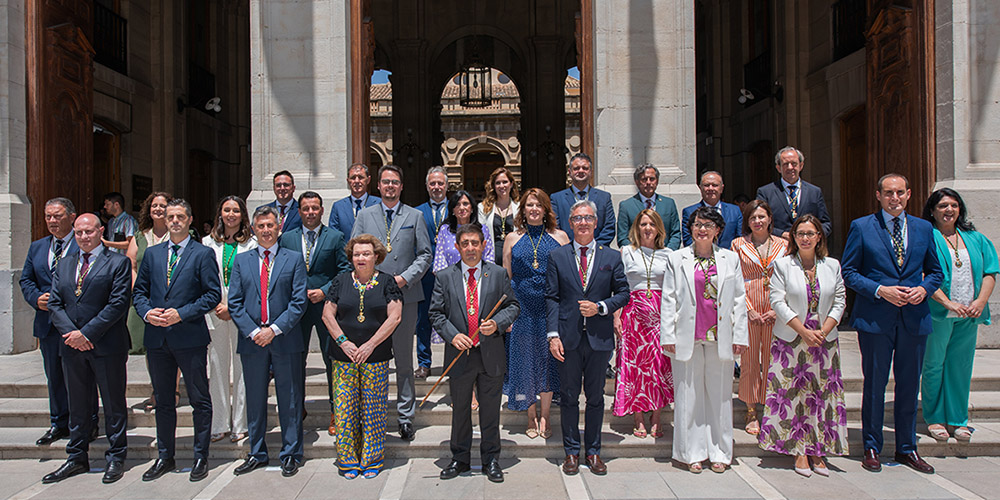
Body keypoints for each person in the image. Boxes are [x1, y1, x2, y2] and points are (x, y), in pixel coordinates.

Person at [841, 173, 943, 474]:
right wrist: (879, 289)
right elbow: (849, 271)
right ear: (878, 195)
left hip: (914, 318)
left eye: (899, 192)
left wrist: (924, 289)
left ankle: (907, 448)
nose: (894, 198)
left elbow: (936, 272)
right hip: (876, 318)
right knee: (874, 384)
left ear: (909, 194)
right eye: (888, 193)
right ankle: (872, 445)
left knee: (909, 386)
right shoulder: (861, 227)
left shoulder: (924, 228)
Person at [133, 198, 221, 482]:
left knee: (199, 399)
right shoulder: (153, 254)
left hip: (189, 337)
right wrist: (147, 313)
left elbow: (211, 295)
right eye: (170, 217)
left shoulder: (202, 254)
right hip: (157, 339)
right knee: (164, 402)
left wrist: (181, 314)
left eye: (180, 216)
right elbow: (139, 293)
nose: (174, 221)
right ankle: (165, 456)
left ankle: (200, 456)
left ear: (190, 219)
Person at [42, 213, 132, 484]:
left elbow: (117, 304)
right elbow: (55, 303)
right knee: (78, 405)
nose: (83, 237)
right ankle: (76, 457)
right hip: (71, 346)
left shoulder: (117, 262)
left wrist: (87, 333)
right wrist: (72, 333)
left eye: (89, 232)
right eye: (79, 232)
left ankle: (116, 456)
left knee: (113, 403)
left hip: (106, 345)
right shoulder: (66, 263)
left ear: (100, 231)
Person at [759, 214, 849, 477]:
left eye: (810, 233)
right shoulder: (783, 265)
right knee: (795, 396)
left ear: (819, 236)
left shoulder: (831, 265)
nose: (805, 238)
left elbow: (840, 300)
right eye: (800, 234)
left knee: (821, 396)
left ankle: (818, 450)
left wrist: (823, 330)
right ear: (794, 238)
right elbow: (777, 301)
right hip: (792, 339)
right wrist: (803, 331)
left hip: (824, 339)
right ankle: (800, 450)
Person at [661, 206, 748, 474]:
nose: (702, 229)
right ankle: (691, 453)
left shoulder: (730, 259)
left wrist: (740, 335)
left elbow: (739, 299)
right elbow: (669, 299)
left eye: (708, 226)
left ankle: (720, 452)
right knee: (688, 396)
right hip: (687, 335)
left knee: (720, 397)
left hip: (719, 336)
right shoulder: (677, 258)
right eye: (698, 224)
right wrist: (668, 335)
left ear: (717, 231)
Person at [430, 224, 520, 483]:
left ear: (483, 246)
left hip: (490, 353)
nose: (470, 248)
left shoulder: (499, 273)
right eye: (465, 243)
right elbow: (435, 313)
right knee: (460, 410)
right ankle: (460, 458)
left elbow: (513, 306)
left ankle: (491, 459)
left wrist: (497, 324)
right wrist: (452, 335)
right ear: (457, 247)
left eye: (475, 243)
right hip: (460, 355)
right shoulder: (445, 276)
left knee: (490, 411)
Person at [547, 200, 630, 476]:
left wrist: (601, 307)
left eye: (588, 218)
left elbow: (623, 293)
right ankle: (571, 451)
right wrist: (553, 336)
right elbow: (552, 298)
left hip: (599, 337)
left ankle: (593, 451)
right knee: (569, 397)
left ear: (596, 223)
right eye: (577, 218)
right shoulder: (557, 256)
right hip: (568, 338)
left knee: (595, 397)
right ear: (569, 224)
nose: (583, 222)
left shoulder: (612, 257)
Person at [351, 164, 433, 441]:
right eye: (385, 182)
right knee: (372, 357)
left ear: (401, 187)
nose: (389, 186)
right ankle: (371, 415)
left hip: (405, 296)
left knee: (403, 359)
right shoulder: (364, 215)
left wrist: (404, 279)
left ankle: (405, 416)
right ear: (379, 186)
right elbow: (355, 251)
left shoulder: (415, 215)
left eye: (395, 182)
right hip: (371, 296)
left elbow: (424, 254)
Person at [229, 205, 308, 477]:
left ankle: (290, 453)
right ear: (253, 229)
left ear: (279, 228)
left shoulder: (294, 259)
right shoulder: (242, 261)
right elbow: (235, 303)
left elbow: (298, 303)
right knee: (255, 399)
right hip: (252, 342)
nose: (265, 231)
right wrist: (254, 332)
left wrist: (273, 330)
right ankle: (257, 452)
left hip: (285, 340)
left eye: (270, 226)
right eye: (260, 226)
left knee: (290, 400)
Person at [920, 188, 998, 442]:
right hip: (939, 312)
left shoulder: (976, 238)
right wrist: (948, 303)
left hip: (969, 313)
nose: (949, 210)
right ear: (932, 210)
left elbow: (989, 272)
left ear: (960, 209)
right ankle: (935, 418)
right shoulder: (926, 237)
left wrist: (980, 301)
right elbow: (922, 275)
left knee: (960, 366)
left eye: (953, 205)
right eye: (942, 205)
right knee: (934, 365)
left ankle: (957, 419)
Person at [321, 234, 402, 479]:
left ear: (376, 256)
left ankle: (372, 459)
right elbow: (327, 315)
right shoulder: (340, 281)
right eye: (356, 254)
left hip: (375, 356)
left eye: (366, 254)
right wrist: (344, 343)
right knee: (345, 409)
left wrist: (370, 344)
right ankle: (347, 460)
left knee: (373, 408)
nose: (361, 258)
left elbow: (395, 317)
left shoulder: (388, 282)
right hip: (343, 357)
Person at [20, 198, 98, 446]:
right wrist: (36, 298)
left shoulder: (84, 244)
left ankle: (89, 422)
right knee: (54, 376)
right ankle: (59, 423)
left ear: (72, 217)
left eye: (57, 216)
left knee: (82, 376)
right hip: (48, 324)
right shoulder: (37, 248)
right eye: (48, 216)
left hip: (77, 325)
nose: (52, 221)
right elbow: (26, 280)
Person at [280, 191, 350, 436]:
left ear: (322, 211)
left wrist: (323, 290)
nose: (310, 212)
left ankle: (336, 411)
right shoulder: (286, 238)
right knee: (294, 361)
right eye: (306, 208)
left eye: (315, 208)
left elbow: (344, 271)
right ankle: (297, 409)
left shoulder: (335, 236)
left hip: (326, 307)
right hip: (295, 309)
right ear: (299, 211)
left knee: (332, 359)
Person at [502, 188, 569, 439]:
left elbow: (568, 277)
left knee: (548, 361)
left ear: (545, 209)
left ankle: (546, 415)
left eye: (538, 205)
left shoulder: (560, 237)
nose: (533, 209)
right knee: (525, 361)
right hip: (522, 308)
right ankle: (530, 416)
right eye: (529, 205)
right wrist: (506, 315)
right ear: (522, 209)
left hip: (550, 307)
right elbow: (506, 279)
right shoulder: (512, 238)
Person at [613, 209, 673, 438]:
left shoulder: (669, 254)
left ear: (658, 228)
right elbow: (619, 287)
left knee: (658, 365)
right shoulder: (627, 252)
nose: (647, 228)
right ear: (636, 228)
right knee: (634, 365)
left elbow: (673, 289)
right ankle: (638, 417)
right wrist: (616, 316)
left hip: (659, 313)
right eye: (643, 224)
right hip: (632, 312)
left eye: (651, 224)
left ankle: (656, 416)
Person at [729, 200, 787, 435]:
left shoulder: (784, 245)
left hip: (776, 304)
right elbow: (735, 278)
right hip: (749, 304)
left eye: (762, 217)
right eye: (753, 218)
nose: (758, 221)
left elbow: (790, 276)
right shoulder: (738, 244)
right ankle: (751, 409)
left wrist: (778, 308)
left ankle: (773, 406)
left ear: (770, 218)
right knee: (750, 360)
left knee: (775, 359)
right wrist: (749, 308)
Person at [202, 196, 257, 444]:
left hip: (242, 312)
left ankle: (240, 423)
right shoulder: (207, 243)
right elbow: (203, 278)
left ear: (243, 215)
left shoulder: (253, 244)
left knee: (243, 368)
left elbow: (253, 282)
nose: (231, 214)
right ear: (220, 214)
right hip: (214, 311)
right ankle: (219, 422)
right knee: (217, 366)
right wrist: (216, 304)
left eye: (236, 210)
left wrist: (233, 308)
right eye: (227, 210)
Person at [126, 192, 172, 355]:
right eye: (154, 205)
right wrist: (138, 290)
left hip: (170, 299)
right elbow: (131, 264)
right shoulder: (140, 236)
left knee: (171, 347)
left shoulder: (177, 235)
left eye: (162, 205)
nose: (158, 209)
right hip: (143, 299)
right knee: (145, 346)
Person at [414, 166, 449, 379]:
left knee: (453, 318)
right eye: (433, 183)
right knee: (424, 318)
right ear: (427, 186)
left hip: (451, 274)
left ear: (447, 185)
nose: (437, 187)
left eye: (440, 183)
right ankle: (424, 363)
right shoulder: (417, 212)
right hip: (426, 274)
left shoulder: (457, 209)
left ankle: (452, 362)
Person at [755, 147, 832, 239]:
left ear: (801, 165)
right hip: (778, 246)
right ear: (778, 168)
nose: (790, 167)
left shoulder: (814, 192)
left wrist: (812, 236)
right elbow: (759, 222)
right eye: (785, 164)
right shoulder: (765, 192)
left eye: (794, 164)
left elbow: (825, 223)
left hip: (807, 248)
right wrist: (782, 234)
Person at [551, 153, 616, 246]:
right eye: (576, 168)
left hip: (598, 253)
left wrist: (593, 248)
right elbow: (555, 228)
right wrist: (572, 248)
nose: (581, 171)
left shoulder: (604, 198)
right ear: (569, 172)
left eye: (585, 168)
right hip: (568, 252)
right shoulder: (556, 199)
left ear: (591, 172)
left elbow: (609, 227)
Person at [616, 164, 682, 250]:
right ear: (637, 182)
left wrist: (667, 253)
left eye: (652, 179)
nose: (648, 182)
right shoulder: (626, 206)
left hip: (664, 256)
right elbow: (623, 237)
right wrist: (637, 254)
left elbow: (675, 234)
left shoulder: (669, 204)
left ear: (657, 181)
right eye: (644, 179)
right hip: (637, 256)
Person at [434, 190, 495, 272]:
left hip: (478, 280)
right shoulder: (445, 230)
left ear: (472, 208)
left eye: (465, 204)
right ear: (452, 210)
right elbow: (440, 261)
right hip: (451, 281)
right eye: (457, 205)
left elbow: (489, 258)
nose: (462, 208)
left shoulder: (483, 230)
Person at [681, 171, 742, 249]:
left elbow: (739, 239)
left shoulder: (735, 211)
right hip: (700, 258)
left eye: (715, 185)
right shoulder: (689, 212)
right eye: (706, 185)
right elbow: (688, 240)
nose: (710, 188)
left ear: (721, 188)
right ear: (700, 188)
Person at [478, 166, 520, 265]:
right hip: (491, 258)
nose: (502, 186)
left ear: (511, 184)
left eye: (505, 182)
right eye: (498, 183)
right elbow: (481, 234)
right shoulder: (483, 208)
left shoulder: (519, 208)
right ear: (493, 186)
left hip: (514, 258)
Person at [328, 162, 381, 237]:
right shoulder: (338, 207)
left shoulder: (379, 204)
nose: (356, 181)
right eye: (353, 178)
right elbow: (334, 235)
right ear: (348, 181)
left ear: (368, 180)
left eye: (361, 177)